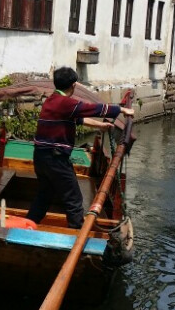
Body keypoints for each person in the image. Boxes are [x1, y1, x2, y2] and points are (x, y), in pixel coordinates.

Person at [28, 66, 134, 227]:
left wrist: (100, 126)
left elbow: (79, 119)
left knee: (44, 195)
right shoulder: (66, 103)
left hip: (40, 157)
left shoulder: (51, 101)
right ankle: (76, 235)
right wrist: (121, 109)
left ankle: (28, 225)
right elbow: (93, 109)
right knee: (74, 199)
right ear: (73, 86)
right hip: (56, 158)